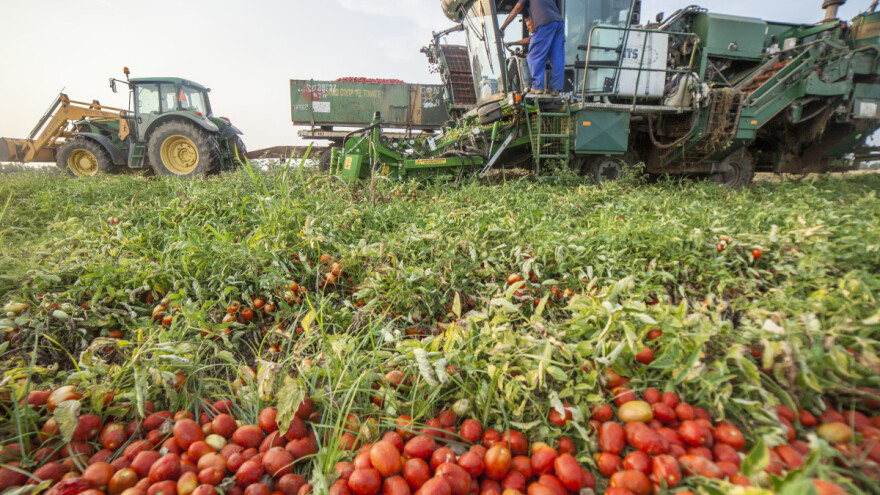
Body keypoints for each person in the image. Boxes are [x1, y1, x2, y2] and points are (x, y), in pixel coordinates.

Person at [500, 0, 565, 96]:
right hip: (559, 23)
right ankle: (555, 88)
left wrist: (502, 28)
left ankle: (537, 87)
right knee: (557, 59)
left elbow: (517, 8)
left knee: (532, 57)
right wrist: (513, 43)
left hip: (545, 22)